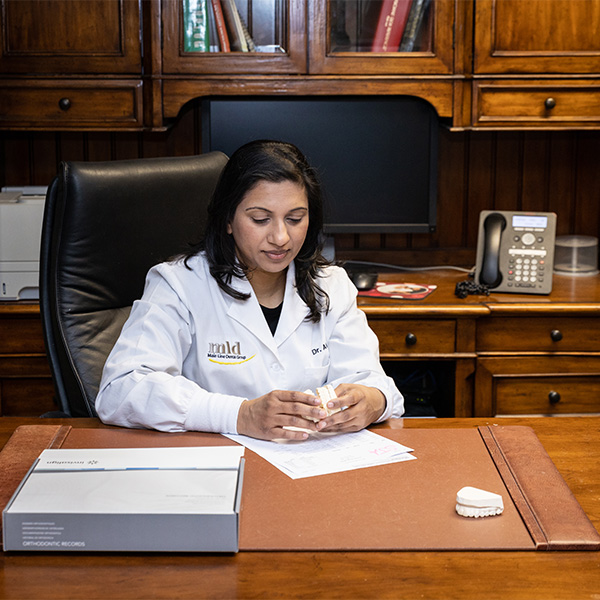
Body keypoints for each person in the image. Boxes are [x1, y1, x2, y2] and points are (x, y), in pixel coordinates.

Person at [95, 140, 404, 441]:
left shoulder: (331, 285)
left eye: (295, 219)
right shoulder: (179, 284)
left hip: (309, 467)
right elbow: (121, 390)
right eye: (260, 219)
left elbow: (372, 381)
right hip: (213, 468)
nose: (281, 237)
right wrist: (239, 415)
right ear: (228, 219)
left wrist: (373, 400)